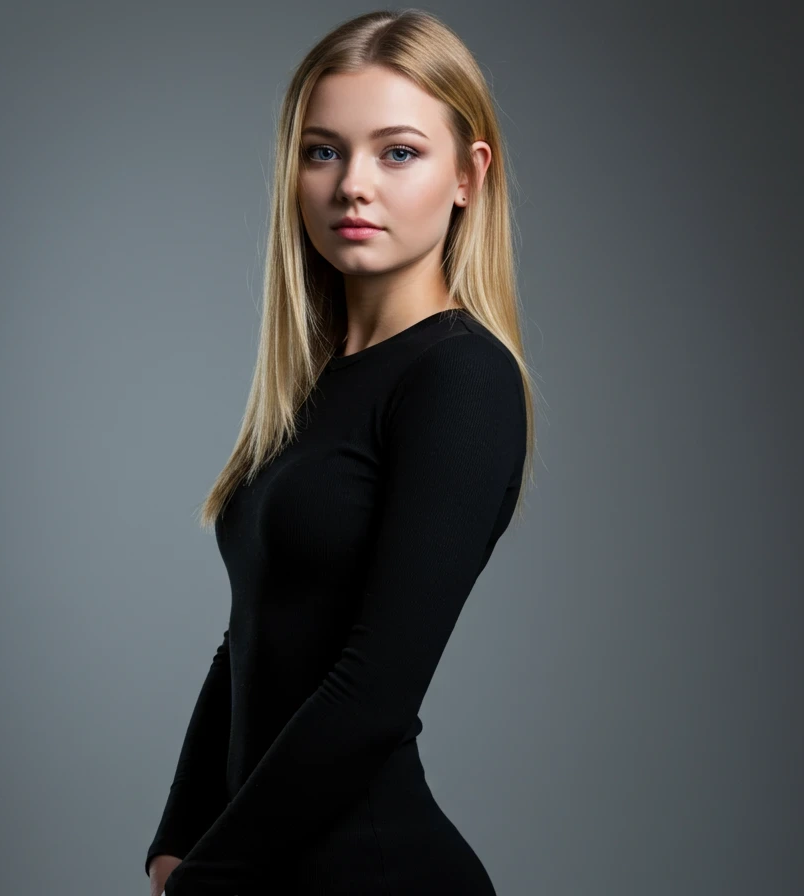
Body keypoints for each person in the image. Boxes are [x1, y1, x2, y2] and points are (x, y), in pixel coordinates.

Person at [145, 8, 536, 895]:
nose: (353, 185)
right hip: (261, 868)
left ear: (470, 175)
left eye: (398, 152)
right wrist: (178, 840)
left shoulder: (460, 380)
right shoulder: (311, 387)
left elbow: (373, 693)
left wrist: (211, 878)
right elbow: (250, 639)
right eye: (324, 152)